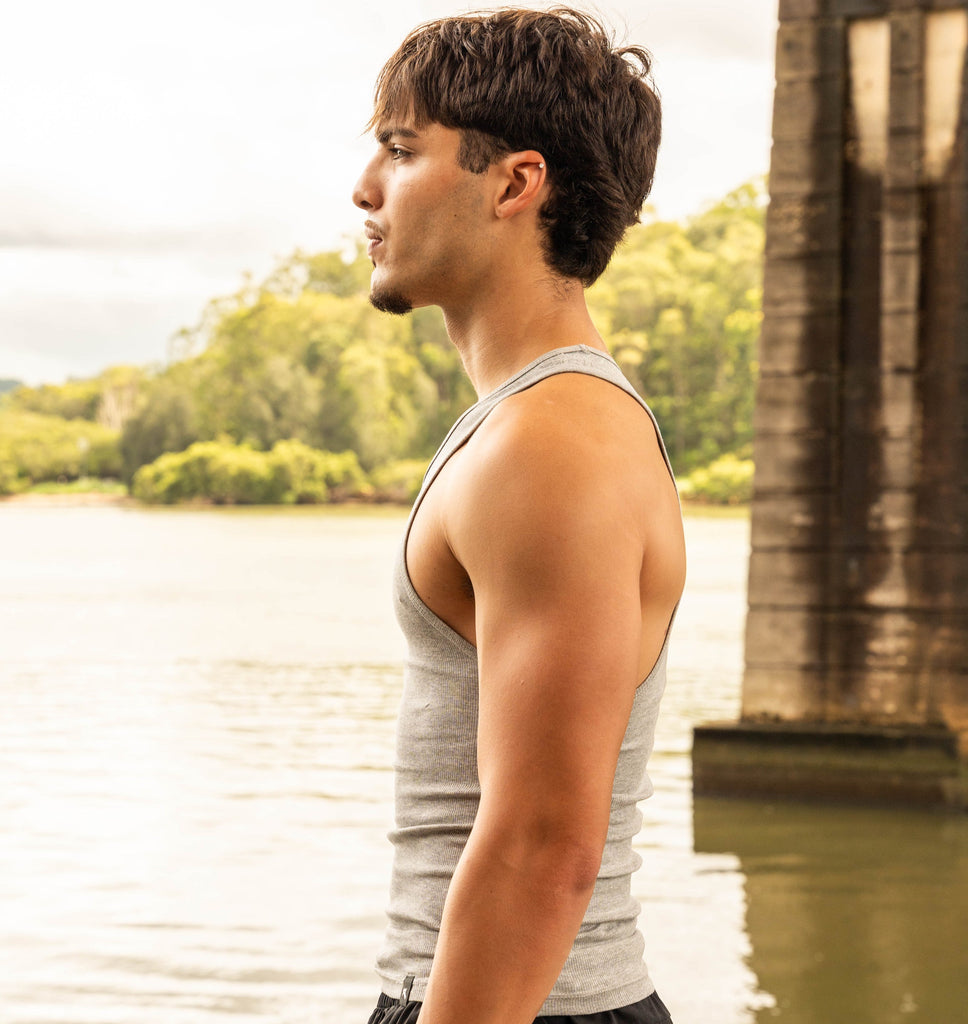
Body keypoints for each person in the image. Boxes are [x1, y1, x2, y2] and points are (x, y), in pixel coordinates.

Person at [351, 8, 685, 1024]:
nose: (363, 188)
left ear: (513, 183)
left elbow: (545, 849)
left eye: (401, 150)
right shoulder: (532, 424)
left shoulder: (551, 444)